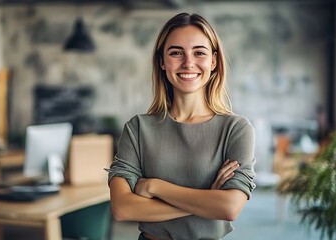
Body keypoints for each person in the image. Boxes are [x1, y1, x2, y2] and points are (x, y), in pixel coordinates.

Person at [107, 12, 256, 240]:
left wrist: (155, 187)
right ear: (162, 62)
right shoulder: (137, 129)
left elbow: (228, 208)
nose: (188, 63)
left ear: (213, 61)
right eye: (176, 53)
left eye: (199, 53)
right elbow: (122, 208)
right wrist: (208, 199)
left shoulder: (236, 129)